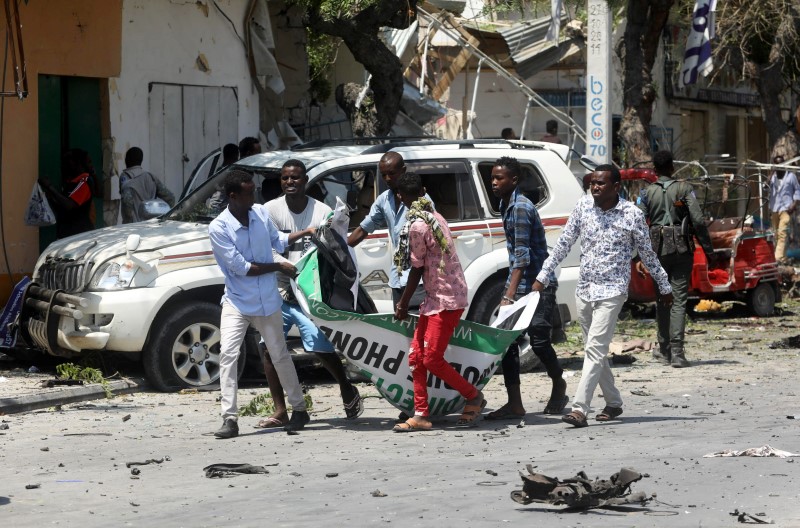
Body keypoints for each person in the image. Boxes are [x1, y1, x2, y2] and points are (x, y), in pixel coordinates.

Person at [532, 165, 673, 428]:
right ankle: (614, 403)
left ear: (616, 187)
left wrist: (664, 287)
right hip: (585, 288)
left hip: (613, 290)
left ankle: (579, 409)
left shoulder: (632, 214)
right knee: (593, 350)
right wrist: (543, 274)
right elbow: (564, 243)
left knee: (595, 349)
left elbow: (647, 254)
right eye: (592, 183)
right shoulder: (583, 207)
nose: (595, 187)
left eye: (601, 184)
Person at [208, 170, 313, 438]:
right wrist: (278, 266)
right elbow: (241, 268)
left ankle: (299, 409)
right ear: (233, 196)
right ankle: (229, 419)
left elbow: (277, 240)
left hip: (267, 299)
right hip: (237, 300)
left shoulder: (259, 213)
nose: (254, 195)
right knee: (229, 356)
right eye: (248, 191)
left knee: (279, 354)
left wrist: (307, 232)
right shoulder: (219, 227)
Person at [259, 159, 363, 428]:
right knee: (268, 350)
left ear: (305, 181)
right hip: (279, 291)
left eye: (295, 178)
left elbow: (336, 249)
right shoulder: (269, 211)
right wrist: (285, 266)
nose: (289, 182)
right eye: (284, 178)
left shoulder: (323, 211)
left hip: (310, 293)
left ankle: (346, 387)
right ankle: (281, 410)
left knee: (320, 347)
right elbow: (264, 248)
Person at [391, 172, 485, 431]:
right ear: (423, 191)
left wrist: (402, 302)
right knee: (416, 357)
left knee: (431, 359)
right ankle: (421, 413)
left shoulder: (418, 225)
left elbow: (416, 268)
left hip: (446, 299)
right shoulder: (434, 215)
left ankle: (473, 396)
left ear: (400, 196)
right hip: (436, 298)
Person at [486, 156, 567, 420]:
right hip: (519, 281)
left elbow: (522, 257)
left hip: (537, 283)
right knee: (507, 344)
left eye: (499, 178)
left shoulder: (521, 207)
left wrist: (509, 296)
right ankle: (515, 403)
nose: (494, 183)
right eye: (493, 178)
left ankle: (559, 384)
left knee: (541, 342)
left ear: (515, 180)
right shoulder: (504, 203)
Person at [637, 150, 716, 368]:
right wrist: (709, 251)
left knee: (663, 299)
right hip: (682, 249)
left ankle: (664, 351)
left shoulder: (645, 193)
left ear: (654, 170)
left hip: (656, 251)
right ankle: (678, 353)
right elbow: (698, 221)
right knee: (679, 299)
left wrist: (637, 255)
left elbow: (636, 222)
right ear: (672, 168)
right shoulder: (685, 189)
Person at [39, 148, 95, 239]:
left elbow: (69, 205)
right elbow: (63, 208)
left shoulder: (84, 181)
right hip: (67, 233)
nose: (65, 165)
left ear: (77, 162)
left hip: (79, 235)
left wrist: (49, 186)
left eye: (68, 161)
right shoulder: (71, 182)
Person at [119, 147, 175, 223]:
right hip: (151, 225)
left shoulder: (125, 177)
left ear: (127, 160)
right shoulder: (151, 177)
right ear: (141, 160)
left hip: (133, 227)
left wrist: (128, 222)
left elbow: (126, 201)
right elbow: (170, 198)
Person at [768, 154, 800, 265]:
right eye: (777, 164)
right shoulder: (773, 177)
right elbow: (764, 187)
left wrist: (794, 204)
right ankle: (783, 257)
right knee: (776, 234)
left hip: (786, 208)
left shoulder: (791, 176)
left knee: (782, 233)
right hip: (774, 208)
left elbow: (797, 190)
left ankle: (776, 258)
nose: (779, 166)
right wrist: (771, 173)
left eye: (781, 164)